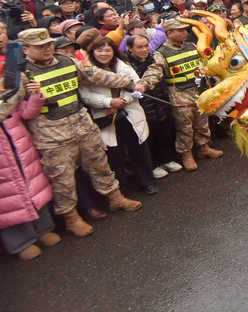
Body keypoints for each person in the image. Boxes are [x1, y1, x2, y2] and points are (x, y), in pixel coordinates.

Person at [0, 28, 143, 237]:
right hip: (52, 136)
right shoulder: (22, 75)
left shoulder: (67, 62)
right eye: (40, 47)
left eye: (49, 44)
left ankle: (115, 198)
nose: (47, 49)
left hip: (82, 126)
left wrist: (129, 82)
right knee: (62, 179)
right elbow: (8, 104)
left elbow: (96, 75)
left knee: (100, 164)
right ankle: (71, 217)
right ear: (27, 49)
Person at [138, 18, 223, 171]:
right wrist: (143, 85)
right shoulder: (161, 54)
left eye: (185, 29)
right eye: (181, 30)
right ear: (169, 33)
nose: (185, 33)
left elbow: (205, 63)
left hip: (199, 92)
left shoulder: (191, 46)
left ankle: (204, 147)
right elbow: (154, 72)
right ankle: (186, 154)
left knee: (202, 122)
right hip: (180, 96)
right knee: (185, 127)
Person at [78, 36, 157, 194]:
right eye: (99, 50)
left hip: (129, 112)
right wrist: (108, 102)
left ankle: (147, 181)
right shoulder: (87, 71)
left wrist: (122, 100)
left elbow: (137, 85)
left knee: (138, 148)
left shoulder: (122, 66)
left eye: (108, 50)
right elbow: (85, 95)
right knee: (114, 152)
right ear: (92, 52)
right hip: (105, 115)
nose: (104, 53)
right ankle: (121, 186)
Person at [0, 85, 61, 261]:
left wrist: (35, 95)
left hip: (21, 151)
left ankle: (43, 230)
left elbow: (27, 113)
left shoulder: (6, 93)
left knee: (33, 189)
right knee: (8, 201)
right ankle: (21, 242)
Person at [125, 34, 180, 178]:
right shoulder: (125, 65)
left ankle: (166, 159)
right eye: (139, 47)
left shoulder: (154, 59)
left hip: (160, 101)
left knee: (164, 133)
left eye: (146, 46)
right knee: (149, 137)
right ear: (130, 48)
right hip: (142, 105)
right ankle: (153, 165)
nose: (144, 50)